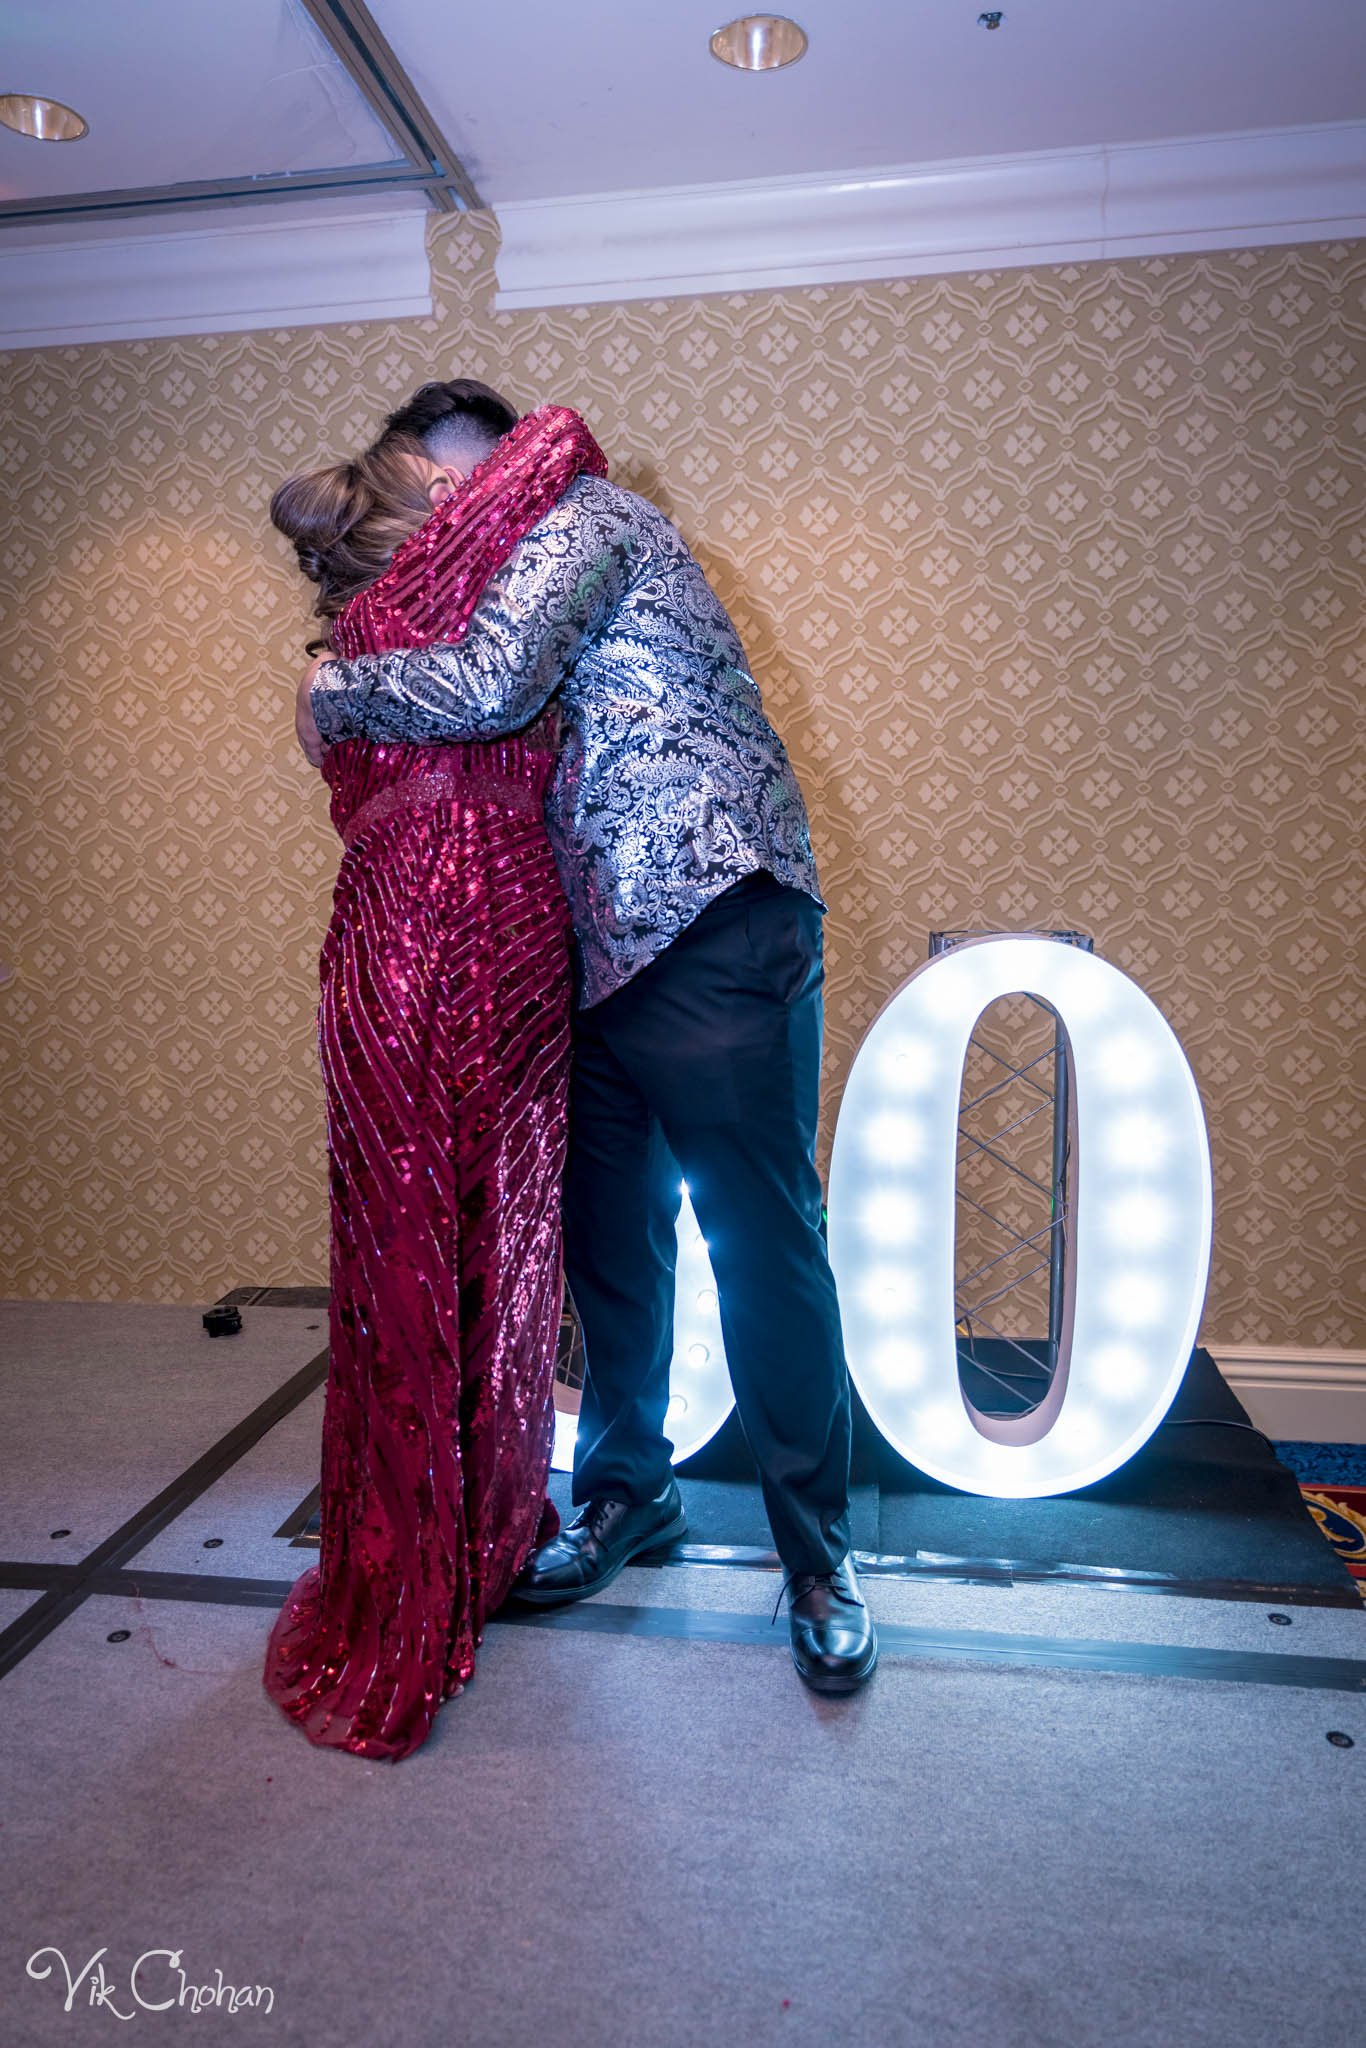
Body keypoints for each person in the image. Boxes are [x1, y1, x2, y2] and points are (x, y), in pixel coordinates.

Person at [299, 379, 878, 1695]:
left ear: (507, 463)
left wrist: (335, 689)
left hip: (713, 909)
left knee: (762, 1240)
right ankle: (630, 1499)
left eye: (455, 482)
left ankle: (817, 1560)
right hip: (599, 941)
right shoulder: (504, 555)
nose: (445, 512)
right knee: (610, 1245)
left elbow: (490, 687)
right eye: (422, 496)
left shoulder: (580, 514)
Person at [263, 400, 607, 1758]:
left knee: (503, 1250)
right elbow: (560, 442)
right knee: (430, 1250)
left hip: (497, 947)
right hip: (424, 948)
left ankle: (483, 1529)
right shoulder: (381, 650)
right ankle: (418, 1569)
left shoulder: (429, 652)